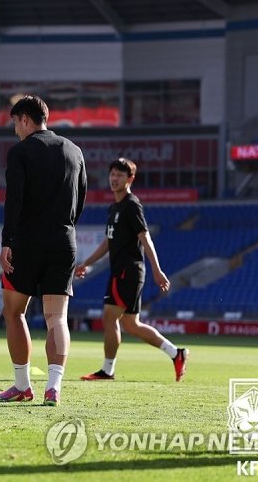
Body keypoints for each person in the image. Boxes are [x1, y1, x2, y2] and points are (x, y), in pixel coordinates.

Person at [0, 95, 86, 407]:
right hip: (64, 239)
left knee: (14, 311)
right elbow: (81, 199)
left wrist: (7, 242)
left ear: (25, 119)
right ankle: (54, 387)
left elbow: (14, 200)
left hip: (28, 242)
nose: (14, 129)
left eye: (14, 123)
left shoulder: (20, 152)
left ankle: (22, 385)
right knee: (56, 317)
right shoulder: (74, 150)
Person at [74, 158, 188, 382]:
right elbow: (108, 242)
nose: (114, 178)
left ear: (130, 179)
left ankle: (107, 370)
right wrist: (87, 263)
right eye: (112, 174)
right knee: (130, 324)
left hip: (128, 271)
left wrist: (157, 270)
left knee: (109, 317)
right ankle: (176, 353)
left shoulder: (131, 205)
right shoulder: (114, 207)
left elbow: (145, 237)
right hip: (122, 271)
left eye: (119, 175)